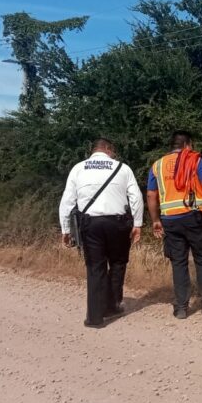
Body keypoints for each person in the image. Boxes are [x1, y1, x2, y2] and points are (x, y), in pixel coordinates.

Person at [59, 138, 143, 328]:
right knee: (118, 263)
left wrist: (65, 229)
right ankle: (112, 306)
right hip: (118, 224)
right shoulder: (123, 168)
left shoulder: (78, 168)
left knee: (95, 267)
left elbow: (67, 201)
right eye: (113, 151)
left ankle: (95, 318)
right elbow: (136, 197)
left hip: (91, 225)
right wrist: (137, 223)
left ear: (93, 150)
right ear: (108, 149)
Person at [146, 131, 202, 319]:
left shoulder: (157, 165)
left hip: (170, 220)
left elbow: (151, 195)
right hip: (194, 217)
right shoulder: (195, 160)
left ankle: (181, 307)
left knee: (178, 262)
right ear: (188, 145)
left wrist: (155, 220)